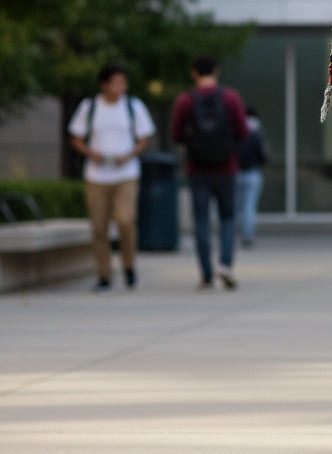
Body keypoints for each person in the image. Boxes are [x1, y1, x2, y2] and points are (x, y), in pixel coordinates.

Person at [67, 63, 157, 292]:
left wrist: (129, 154)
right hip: (96, 175)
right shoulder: (90, 107)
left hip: (126, 173)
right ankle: (104, 275)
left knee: (126, 221)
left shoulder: (133, 106)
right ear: (104, 84)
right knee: (99, 228)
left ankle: (129, 266)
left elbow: (144, 138)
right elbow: (76, 136)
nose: (120, 87)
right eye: (115, 82)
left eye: (123, 82)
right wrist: (90, 153)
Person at [170, 54, 249, 291]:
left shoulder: (185, 101)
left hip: (197, 169)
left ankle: (206, 276)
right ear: (217, 71)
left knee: (202, 221)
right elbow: (243, 132)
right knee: (227, 219)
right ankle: (225, 265)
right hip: (226, 168)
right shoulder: (230, 98)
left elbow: (176, 135)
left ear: (194, 73)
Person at [235, 106, 267, 248]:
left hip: (237, 174)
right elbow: (262, 155)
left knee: (236, 207)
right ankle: (247, 235)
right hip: (252, 173)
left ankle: (233, 234)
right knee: (249, 207)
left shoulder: (236, 131)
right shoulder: (256, 134)